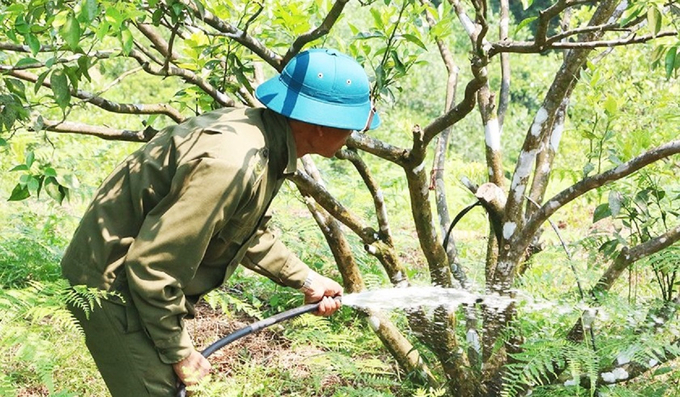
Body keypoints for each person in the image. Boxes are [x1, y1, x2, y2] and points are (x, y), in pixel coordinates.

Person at [61, 48, 380, 396]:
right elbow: (153, 267)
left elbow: (244, 229)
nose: (354, 132)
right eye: (351, 123)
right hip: (113, 287)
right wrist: (179, 351)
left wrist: (306, 278)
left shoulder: (262, 139)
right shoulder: (231, 164)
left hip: (136, 280)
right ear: (319, 125)